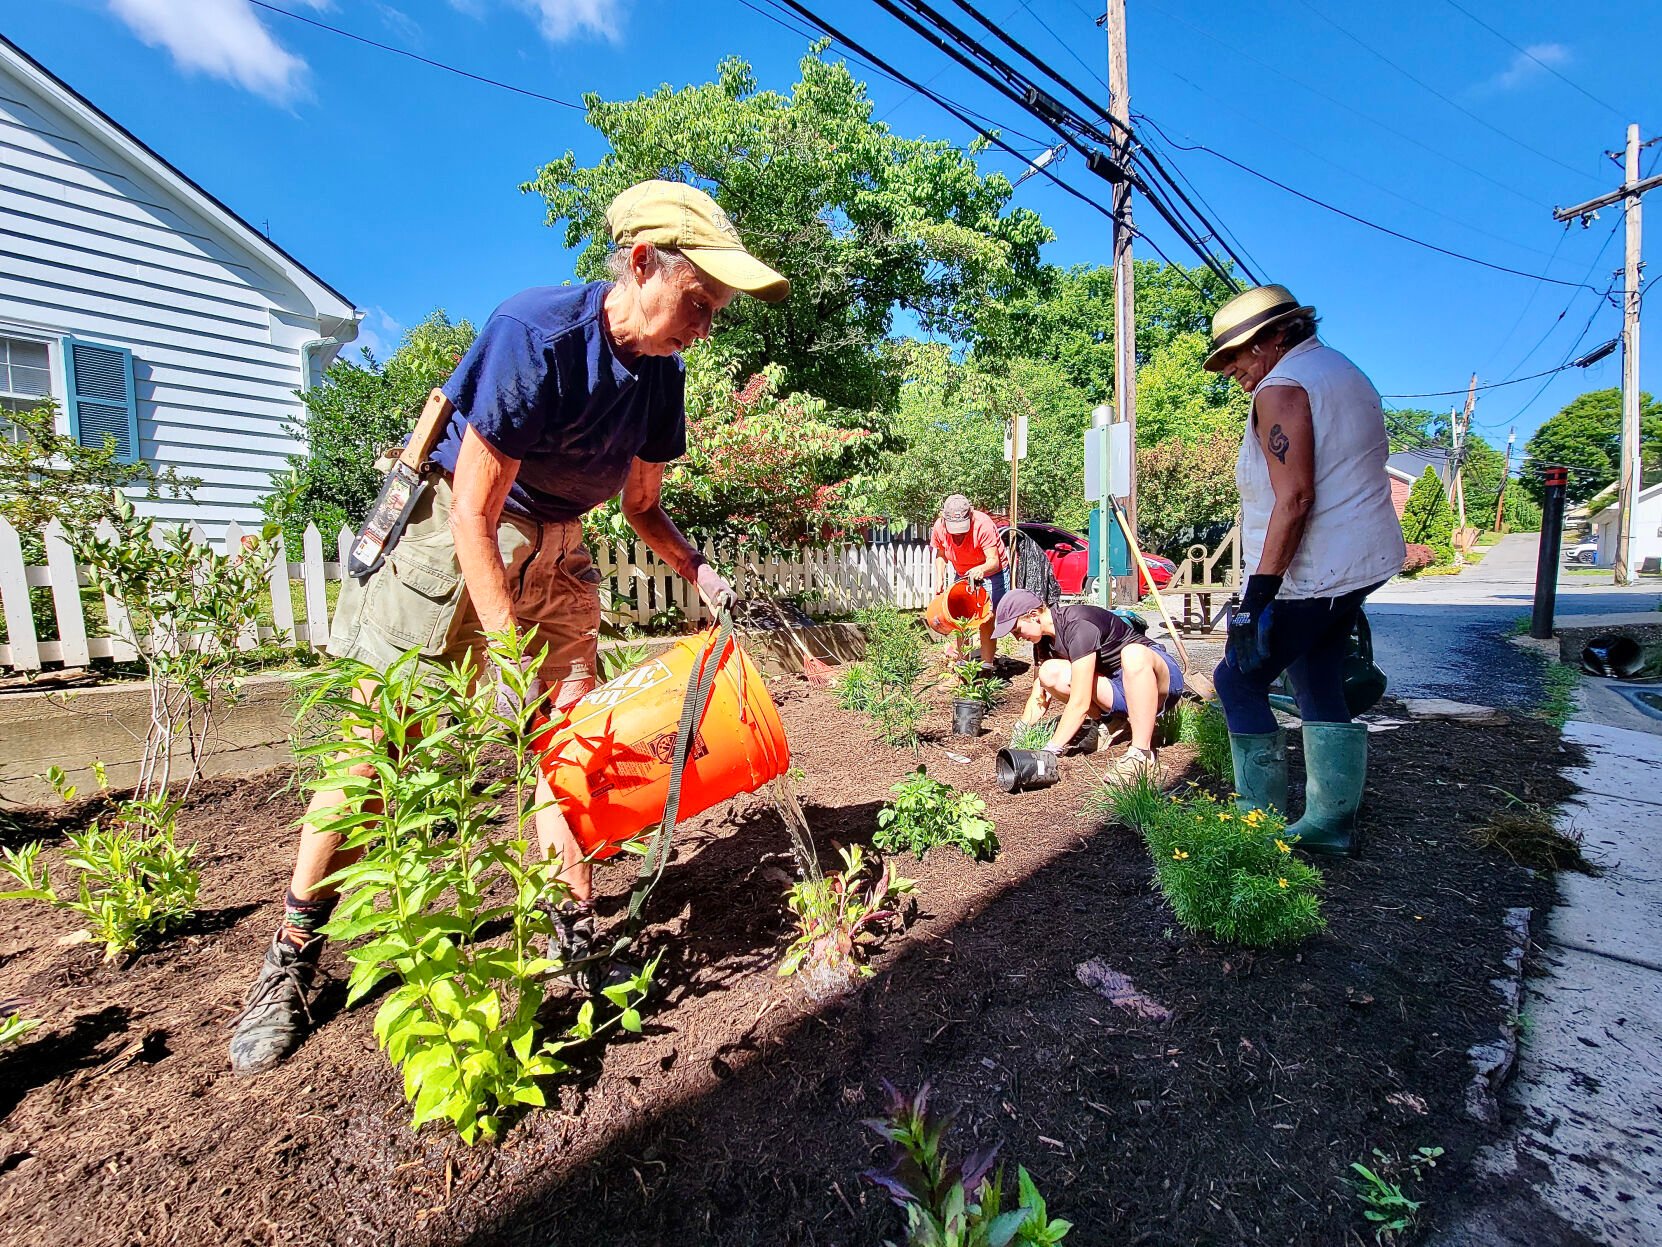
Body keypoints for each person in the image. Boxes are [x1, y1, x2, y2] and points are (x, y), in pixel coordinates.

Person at [228, 180, 790, 1074]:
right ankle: (291, 958)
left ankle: (574, 932)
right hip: (455, 551)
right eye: (698, 301)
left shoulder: (662, 377)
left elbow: (642, 505)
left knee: (568, 749)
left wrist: (700, 568)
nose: (706, 325)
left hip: (563, 556)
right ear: (642, 264)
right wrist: (508, 652)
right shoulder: (534, 336)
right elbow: (472, 515)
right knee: (379, 749)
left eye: (716, 310)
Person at [1202, 284, 1404, 856]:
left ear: (1273, 338)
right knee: (1316, 671)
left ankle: (1256, 821)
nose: (1233, 370)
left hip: (1314, 569)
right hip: (1354, 561)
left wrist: (1259, 595)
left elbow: (1294, 500)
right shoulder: (1341, 372)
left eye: (1238, 355)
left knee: (1237, 678)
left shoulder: (1282, 388)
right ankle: (1328, 824)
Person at [992, 588, 1185, 782]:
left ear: (1034, 615)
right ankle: (1112, 723)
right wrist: (1020, 730)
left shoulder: (1078, 624)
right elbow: (1039, 696)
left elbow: (1080, 701)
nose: (1017, 637)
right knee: (1049, 673)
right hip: (1120, 690)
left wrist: (1050, 750)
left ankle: (1141, 754)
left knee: (1133, 653)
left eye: (1016, 630)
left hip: (1158, 681)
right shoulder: (1043, 643)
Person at [930, 494, 1008, 670]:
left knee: (986, 617)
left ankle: (987, 668)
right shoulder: (939, 527)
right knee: (960, 618)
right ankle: (963, 668)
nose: (958, 533)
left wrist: (981, 569)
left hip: (991, 573)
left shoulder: (983, 524)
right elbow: (941, 555)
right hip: (963, 572)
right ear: (944, 518)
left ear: (970, 515)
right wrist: (940, 578)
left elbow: (993, 560)